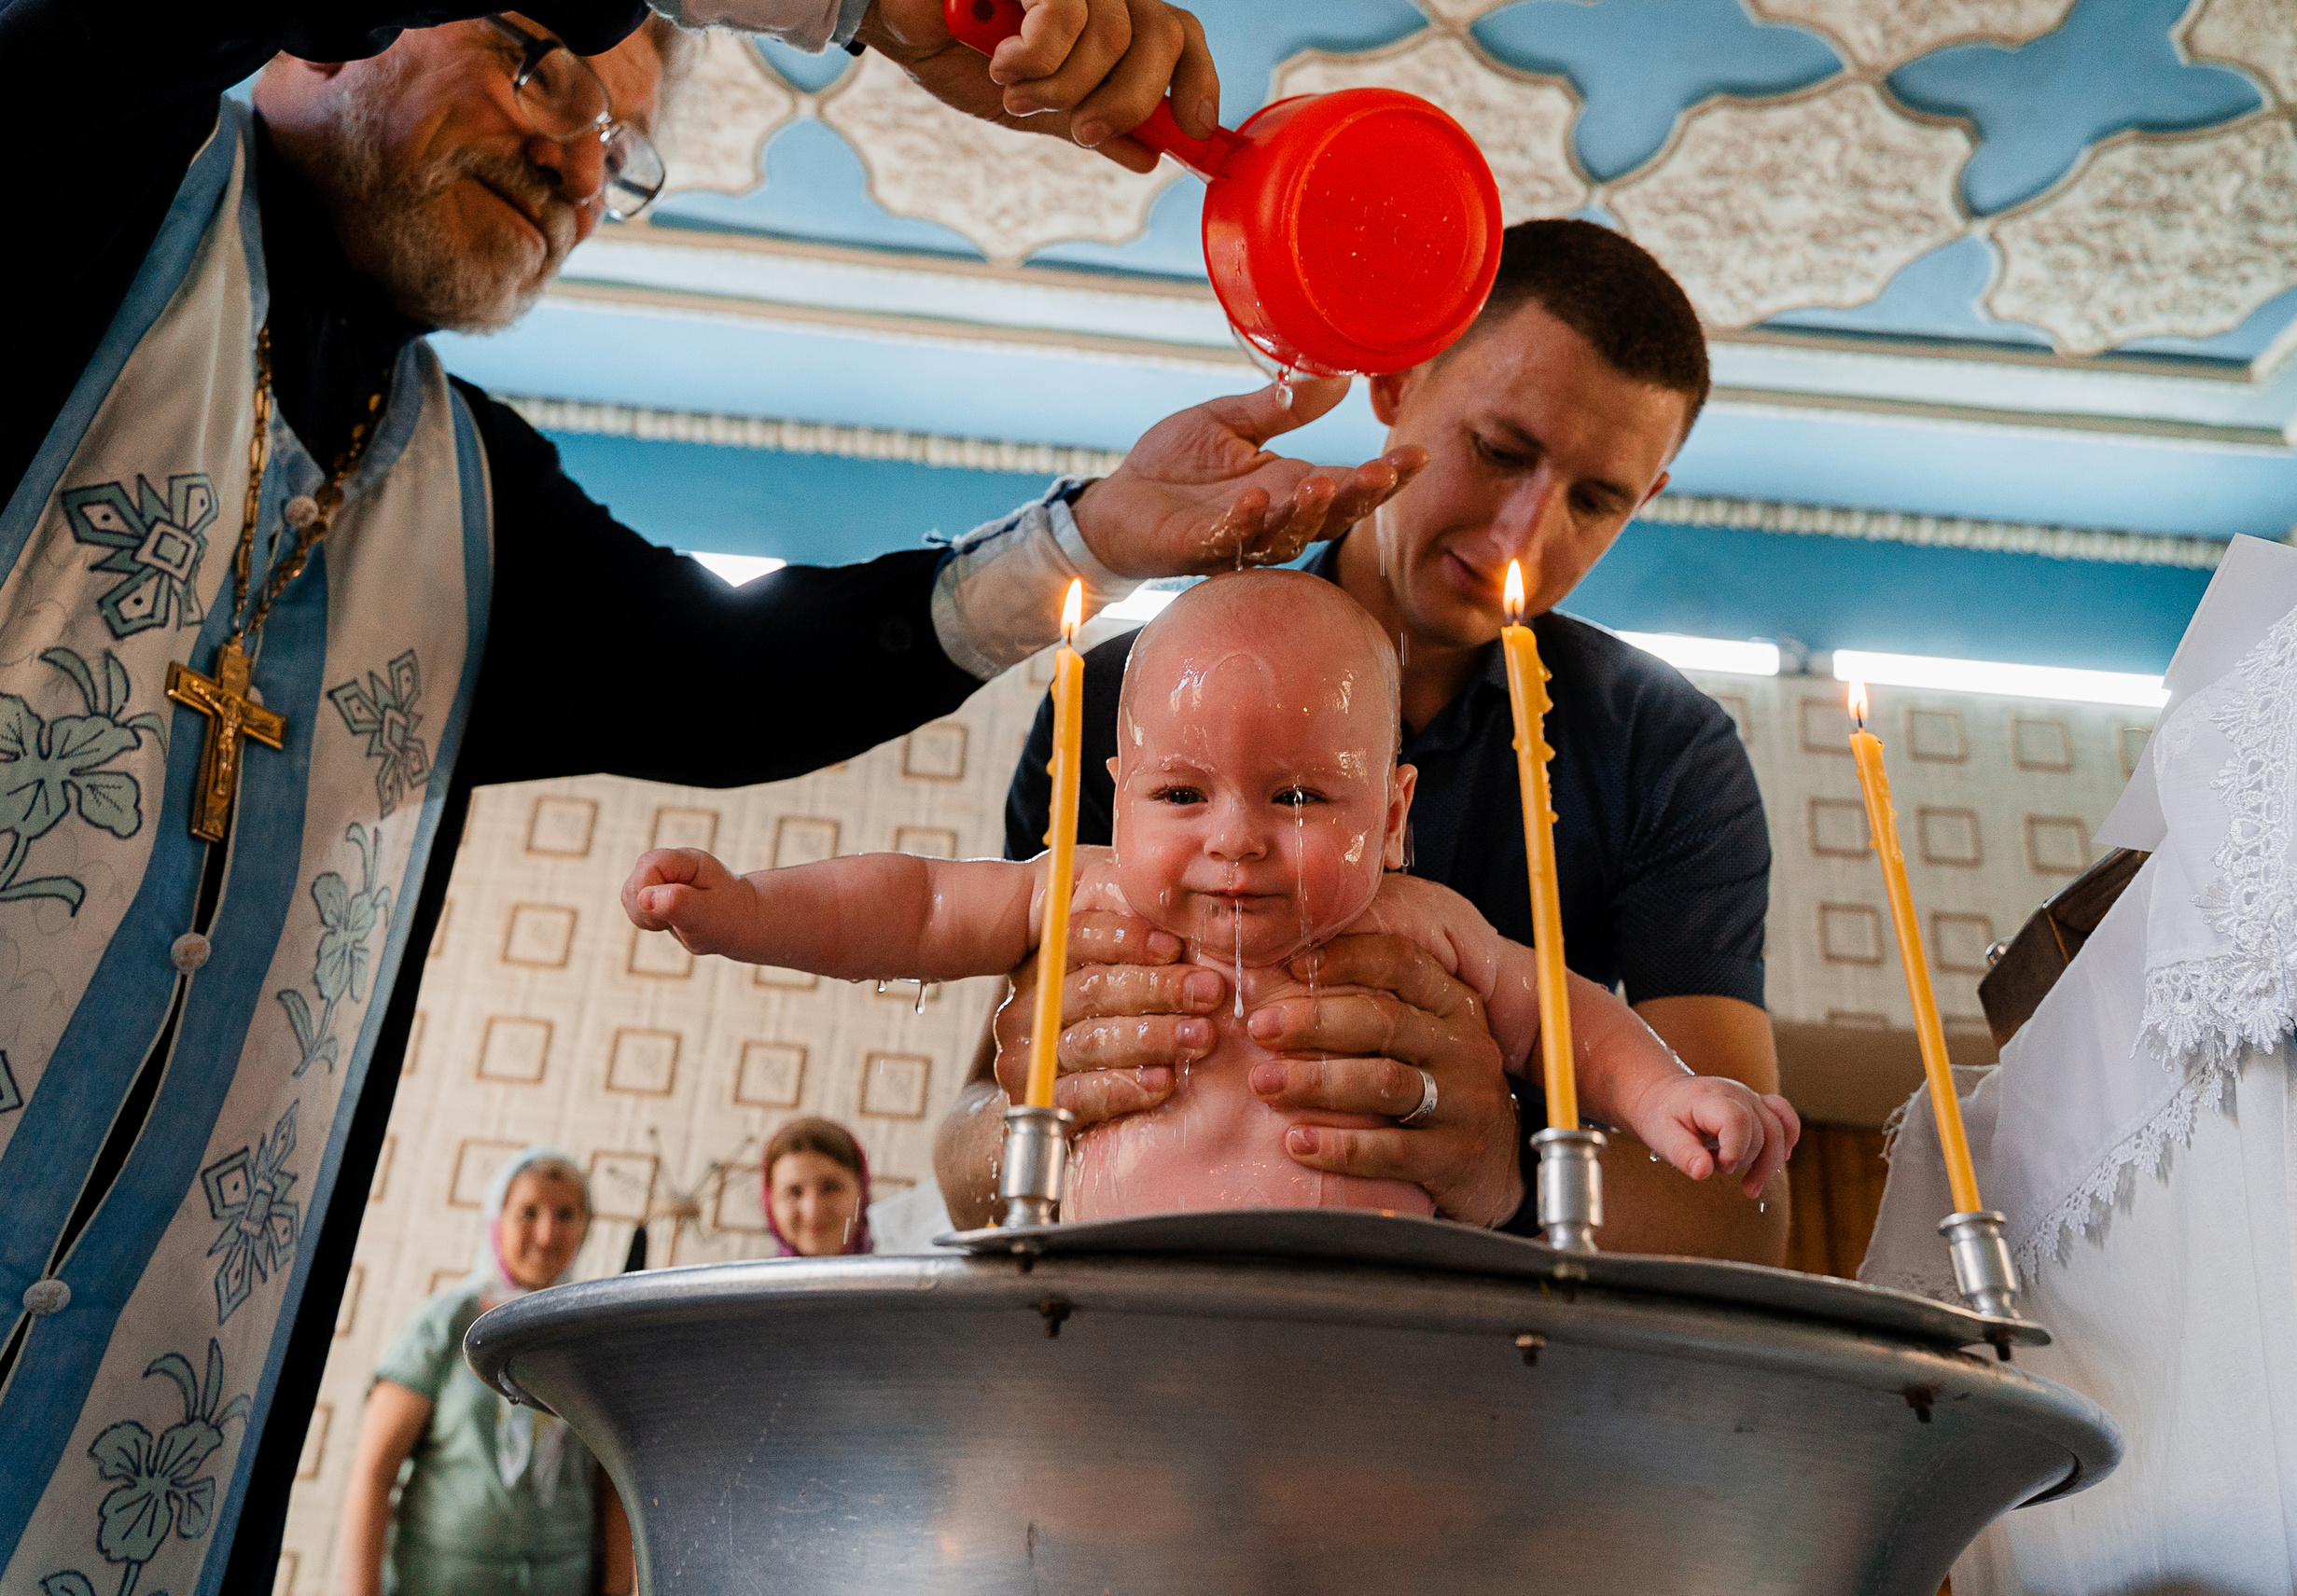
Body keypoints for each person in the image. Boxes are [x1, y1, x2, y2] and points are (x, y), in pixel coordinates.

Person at [0, 5, 1418, 1589]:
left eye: (617, 143)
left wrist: (1088, 537)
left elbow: (734, 675)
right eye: (537, 55)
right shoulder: (74, 170)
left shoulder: (466, 504)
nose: (569, 156)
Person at [939, 220, 1786, 1258]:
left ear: (1644, 501)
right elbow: (970, 1149)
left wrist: (1506, 1165)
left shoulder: (1665, 752)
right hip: (1143, 1304)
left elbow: (1738, 1215)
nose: (1519, 536)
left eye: (1595, 500)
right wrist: (1044, 1119)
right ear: (1396, 384)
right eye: (1498, 452)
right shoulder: (1132, 691)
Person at [623, 573, 1797, 1219]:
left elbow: (1567, 1014)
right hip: (1104, 1314)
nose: (1233, 840)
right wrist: (745, 912)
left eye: (1296, 797)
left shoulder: (1422, 921)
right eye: (1182, 793)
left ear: (1390, 817)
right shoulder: (1077, 896)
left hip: (1374, 1333)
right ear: (1116, 794)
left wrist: (1667, 1095)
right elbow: (915, 910)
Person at [335, 1148, 633, 1595]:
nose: (548, 1233)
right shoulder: (446, 1325)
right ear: (497, 1220)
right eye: (528, 1212)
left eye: (567, 1215)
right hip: (439, 1581)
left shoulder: (594, 1336)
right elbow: (375, 1473)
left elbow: (615, 1481)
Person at [759, 1117, 872, 1256]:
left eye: (830, 1188)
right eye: (793, 1192)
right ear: (770, 1201)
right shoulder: (740, 1277)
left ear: (861, 1193)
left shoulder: (900, 1275)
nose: (813, 1211)